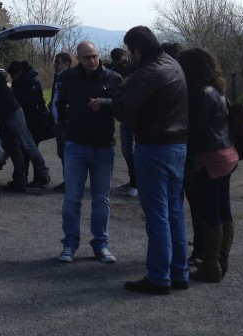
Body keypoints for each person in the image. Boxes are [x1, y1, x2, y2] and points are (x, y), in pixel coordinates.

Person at [114, 26, 189, 294]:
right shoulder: (172, 64)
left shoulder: (146, 73)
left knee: (157, 216)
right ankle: (179, 273)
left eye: (129, 51)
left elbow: (122, 110)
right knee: (174, 212)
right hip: (178, 147)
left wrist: (121, 88)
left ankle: (159, 277)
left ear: (136, 50)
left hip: (154, 148)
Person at [54, 42, 122, 263]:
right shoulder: (69, 77)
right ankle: (69, 244)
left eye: (95, 56)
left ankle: (101, 244)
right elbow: (60, 103)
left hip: (103, 146)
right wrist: (67, 129)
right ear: (78, 58)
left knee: (101, 199)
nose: (92, 61)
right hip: (76, 145)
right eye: (87, 58)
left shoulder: (113, 78)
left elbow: (123, 107)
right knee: (72, 198)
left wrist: (104, 103)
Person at [179, 48, 238, 283]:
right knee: (224, 209)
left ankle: (210, 265)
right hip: (227, 153)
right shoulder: (218, 90)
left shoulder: (201, 94)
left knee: (210, 211)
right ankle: (221, 261)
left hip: (210, 158)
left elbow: (196, 131)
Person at [0, 67, 50, 193]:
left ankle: (43, 174)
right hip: (3, 115)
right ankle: (19, 180)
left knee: (27, 144)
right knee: (14, 149)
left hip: (12, 112)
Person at [7, 60, 53, 185]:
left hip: (36, 119)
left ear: (19, 72)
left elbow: (30, 103)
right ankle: (28, 177)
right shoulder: (23, 81)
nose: (12, 78)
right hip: (30, 118)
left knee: (30, 148)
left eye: (13, 75)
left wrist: (13, 93)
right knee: (28, 148)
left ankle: (40, 177)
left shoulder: (32, 83)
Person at [109, 47, 138, 197]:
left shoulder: (139, 66)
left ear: (128, 55)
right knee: (127, 150)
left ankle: (137, 182)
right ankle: (134, 179)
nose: (123, 66)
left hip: (138, 114)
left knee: (139, 150)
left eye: (124, 63)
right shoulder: (114, 70)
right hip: (126, 114)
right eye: (119, 64)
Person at [49, 52, 72, 191]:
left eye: (58, 62)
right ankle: (67, 181)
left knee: (66, 153)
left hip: (65, 121)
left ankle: (69, 182)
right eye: (55, 62)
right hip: (58, 121)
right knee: (62, 152)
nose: (55, 64)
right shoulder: (59, 76)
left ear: (66, 64)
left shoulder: (68, 77)